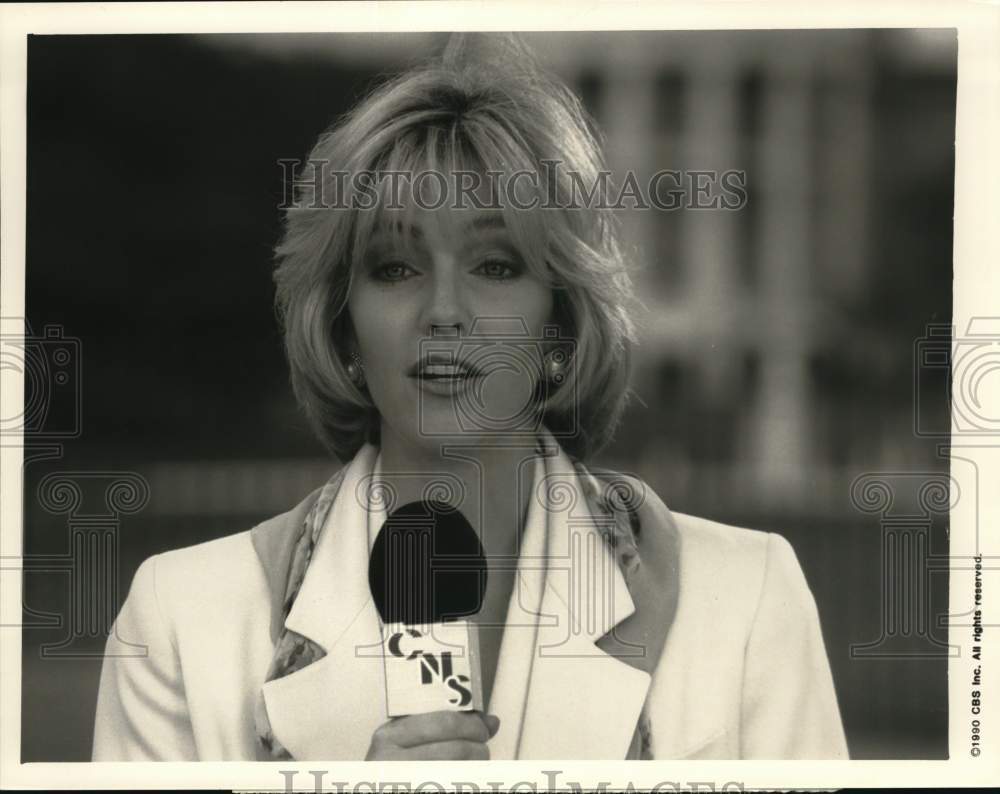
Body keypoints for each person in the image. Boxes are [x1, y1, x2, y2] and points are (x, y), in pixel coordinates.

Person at [92, 33, 848, 762]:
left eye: (494, 265)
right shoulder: (181, 619)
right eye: (393, 268)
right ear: (343, 326)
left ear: (562, 319)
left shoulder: (748, 597)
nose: (444, 311)